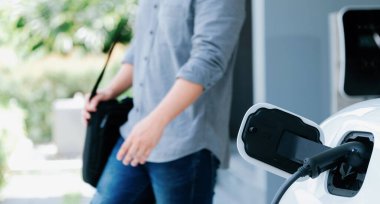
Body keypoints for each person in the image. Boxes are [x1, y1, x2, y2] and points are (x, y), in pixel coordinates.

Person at [83, 0, 245, 203]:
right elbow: (141, 48)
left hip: (186, 144)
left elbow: (208, 60)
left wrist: (156, 122)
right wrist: (110, 91)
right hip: (135, 133)